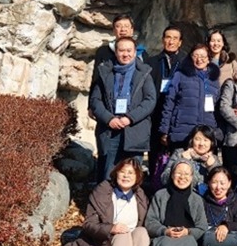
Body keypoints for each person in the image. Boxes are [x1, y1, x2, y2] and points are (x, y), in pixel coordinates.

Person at [54, 158, 149, 246]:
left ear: (137, 177)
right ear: (116, 173)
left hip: (129, 245)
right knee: (122, 234)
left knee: (141, 232)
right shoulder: (102, 192)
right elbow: (89, 224)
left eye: (131, 173)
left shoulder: (140, 195)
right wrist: (111, 228)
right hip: (104, 243)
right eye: (122, 172)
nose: (126, 176)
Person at [88, 36, 157, 181]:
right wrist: (109, 119)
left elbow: (150, 100)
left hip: (134, 130)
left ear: (135, 52)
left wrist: (130, 118)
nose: (125, 54)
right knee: (108, 175)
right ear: (116, 52)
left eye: (129, 50)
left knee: (132, 176)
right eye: (121, 50)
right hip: (110, 130)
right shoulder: (105, 72)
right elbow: (95, 100)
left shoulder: (144, 73)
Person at [145, 161, 209, 246]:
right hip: (164, 236)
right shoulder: (160, 195)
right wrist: (165, 231)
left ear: (192, 177)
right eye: (178, 173)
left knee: (189, 242)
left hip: (187, 236)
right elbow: (150, 222)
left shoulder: (197, 199)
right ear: (172, 175)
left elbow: (202, 226)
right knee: (166, 244)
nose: (182, 177)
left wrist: (188, 232)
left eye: (186, 174)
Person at [158, 44, 221, 150]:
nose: (199, 59)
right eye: (196, 56)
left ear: (208, 59)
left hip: (206, 134)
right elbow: (169, 102)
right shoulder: (180, 75)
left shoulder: (214, 80)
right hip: (182, 132)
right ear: (191, 57)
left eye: (203, 56)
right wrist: (164, 130)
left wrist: (217, 132)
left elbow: (218, 108)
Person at [146, 25, 187, 173]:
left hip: (178, 114)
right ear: (163, 40)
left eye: (175, 38)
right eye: (168, 37)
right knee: (155, 153)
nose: (171, 41)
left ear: (180, 42)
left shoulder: (186, 63)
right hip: (156, 112)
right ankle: (154, 181)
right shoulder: (151, 62)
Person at [162, 124, 222, 196]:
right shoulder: (180, 153)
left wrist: (212, 167)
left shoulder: (214, 159)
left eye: (205, 140)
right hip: (181, 195)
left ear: (211, 143)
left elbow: (221, 184)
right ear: (191, 140)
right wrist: (183, 161)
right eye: (197, 139)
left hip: (205, 198)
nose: (201, 143)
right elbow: (164, 179)